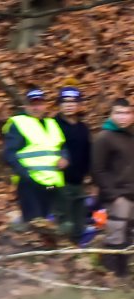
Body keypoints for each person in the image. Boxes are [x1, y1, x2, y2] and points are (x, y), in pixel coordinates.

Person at [3, 88, 68, 223]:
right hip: (30, 184)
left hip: (52, 183)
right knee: (35, 223)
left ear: (45, 105)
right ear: (25, 106)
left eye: (39, 104)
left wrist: (65, 157)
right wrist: (25, 174)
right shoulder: (18, 123)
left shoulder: (52, 123)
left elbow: (62, 146)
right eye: (32, 104)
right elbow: (9, 154)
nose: (36, 107)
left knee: (50, 223)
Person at [91, 98, 134, 277]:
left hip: (132, 193)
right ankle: (112, 276)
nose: (123, 117)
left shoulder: (131, 135)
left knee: (129, 235)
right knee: (116, 235)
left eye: (127, 113)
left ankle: (125, 275)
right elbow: (97, 169)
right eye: (118, 113)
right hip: (117, 195)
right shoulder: (104, 137)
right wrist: (113, 195)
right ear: (111, 114)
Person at [54, 85, 92, 242]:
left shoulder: (83, 127)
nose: (69, 105)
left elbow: (88, 152)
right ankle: (60, 249)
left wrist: (89, 176)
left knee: (79, 222)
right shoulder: (52, 125)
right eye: (65, 101)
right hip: (58, 182)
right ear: (59, 104)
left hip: (79, 182)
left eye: (73, 101)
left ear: (79, 104)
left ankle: (77, 248)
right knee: (64, 223)